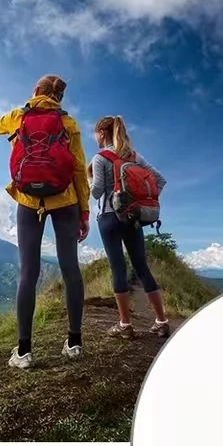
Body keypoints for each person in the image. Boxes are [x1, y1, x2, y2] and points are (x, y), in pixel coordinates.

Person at [0, 75, 90, 368]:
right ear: (59, 98)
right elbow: (78, 170)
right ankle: (74, 343)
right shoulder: (69, 124)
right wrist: (84, 212)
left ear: (36, 91)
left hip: (28, 202)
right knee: (70, 269)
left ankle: (24, 351)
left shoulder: (18, 117)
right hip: (65, 201)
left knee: (29, 272)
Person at [89, 116, 170, 340]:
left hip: (109, 217)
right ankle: (161, 322)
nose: (95, 137)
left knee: (118, 268)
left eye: (95, 133)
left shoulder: (100, 157)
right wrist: (140, 202)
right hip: (132, 217)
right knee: (141, 266)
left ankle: (125, 325)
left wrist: (89, 179)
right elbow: (160, 180)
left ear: (102, 133)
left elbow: (96, 192)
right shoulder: (134, 157)